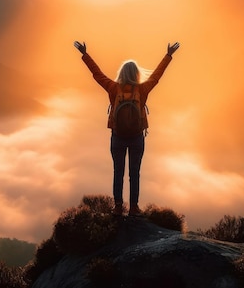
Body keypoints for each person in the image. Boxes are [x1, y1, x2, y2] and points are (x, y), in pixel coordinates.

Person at [74, 40, 180, 216]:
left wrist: (85, 55)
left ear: (121, 73)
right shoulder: (143, 89)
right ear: (137, 74)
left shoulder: (114, 88)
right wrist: (168, 56)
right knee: (134, 173)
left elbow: (97, 74)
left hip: (118, 136)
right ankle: (133, 208)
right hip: (137, 136)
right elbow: (156, 76)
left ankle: (117, 207)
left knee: (118, 172)